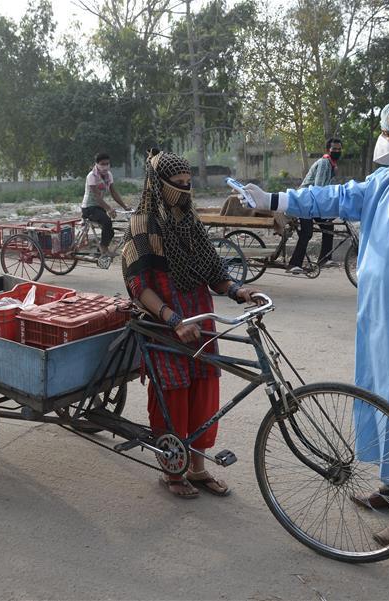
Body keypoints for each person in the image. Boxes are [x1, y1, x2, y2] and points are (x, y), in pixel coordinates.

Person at [242, 97, 389, 544]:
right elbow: (335, 196)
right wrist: (274, 199)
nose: (383, 139)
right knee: (385, 405)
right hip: (380, 325)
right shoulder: (388, 180)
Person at [121, 149, 263, 499]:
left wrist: (237, 290)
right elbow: (139, 287)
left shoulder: (190, 221)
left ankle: (198, 469)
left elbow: (213, 271)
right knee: (173, 396)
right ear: (159, 184)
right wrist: (172, 319)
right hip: (165, 323)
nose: (185, 192)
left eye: (188, 184)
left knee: (202, 392)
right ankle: (172, 472)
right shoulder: (142, 225)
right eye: (177, 185)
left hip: (200, 319)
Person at [287, 138, 343, 273]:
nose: (337, 151)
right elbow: (319, 187)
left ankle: (324, 259)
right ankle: (293, 264)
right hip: (305, 201)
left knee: (328, 225)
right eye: (334, 149)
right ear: (328, 150)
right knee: (307, 233)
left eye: (339, 149)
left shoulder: (331, 164)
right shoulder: (325, 163)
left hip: (313, 201)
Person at [82, 153, 130, 257]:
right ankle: (104, 249)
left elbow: (114, 193)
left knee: (110, 231)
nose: (105, 166)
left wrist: (125, 206)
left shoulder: (109, 175)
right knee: (107, 222)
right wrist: (108, 208)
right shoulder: (92, 176)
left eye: (107, 164)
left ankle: (100, 251)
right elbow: (96, 197)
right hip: (89, 208)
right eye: (102, 164)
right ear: (97, 164)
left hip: (99, 207)